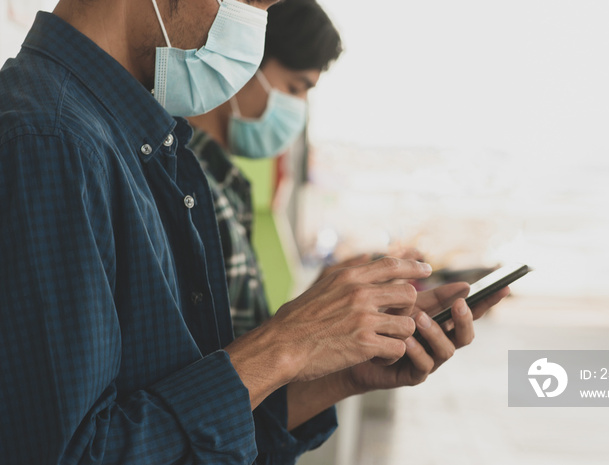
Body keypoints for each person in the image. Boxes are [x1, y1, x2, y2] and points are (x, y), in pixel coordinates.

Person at [0, 1, 509, 465]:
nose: (251, 29)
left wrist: (338, 374)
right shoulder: (51, 143)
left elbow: (174, 423)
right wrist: (288, 342)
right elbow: (75, 455)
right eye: (250, 2)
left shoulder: (131, 143)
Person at [187, 0, 344, 337]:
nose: (297, 109)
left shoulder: (226, 181)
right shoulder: (179, 176)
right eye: (294, 88)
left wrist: (321, 301)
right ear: (245, 58)